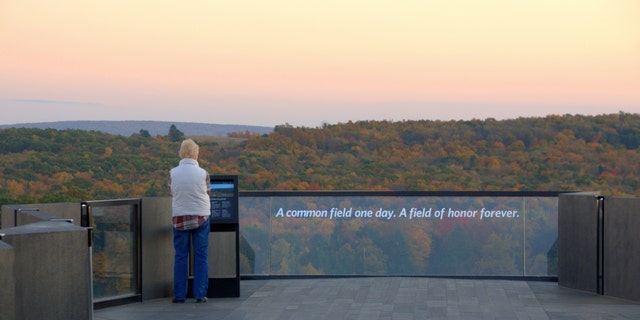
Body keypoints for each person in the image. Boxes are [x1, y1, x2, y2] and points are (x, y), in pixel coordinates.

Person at [169, 139, 211, 303]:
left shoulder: (172, 173)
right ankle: (200, 294)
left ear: (181, 152)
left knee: (181, 255)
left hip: (179, 216)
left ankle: (179, 295)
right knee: (201, 255)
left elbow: (172, 192)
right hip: (201, 216)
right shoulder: (203, 173)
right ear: (196, 153)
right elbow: (208, 193)